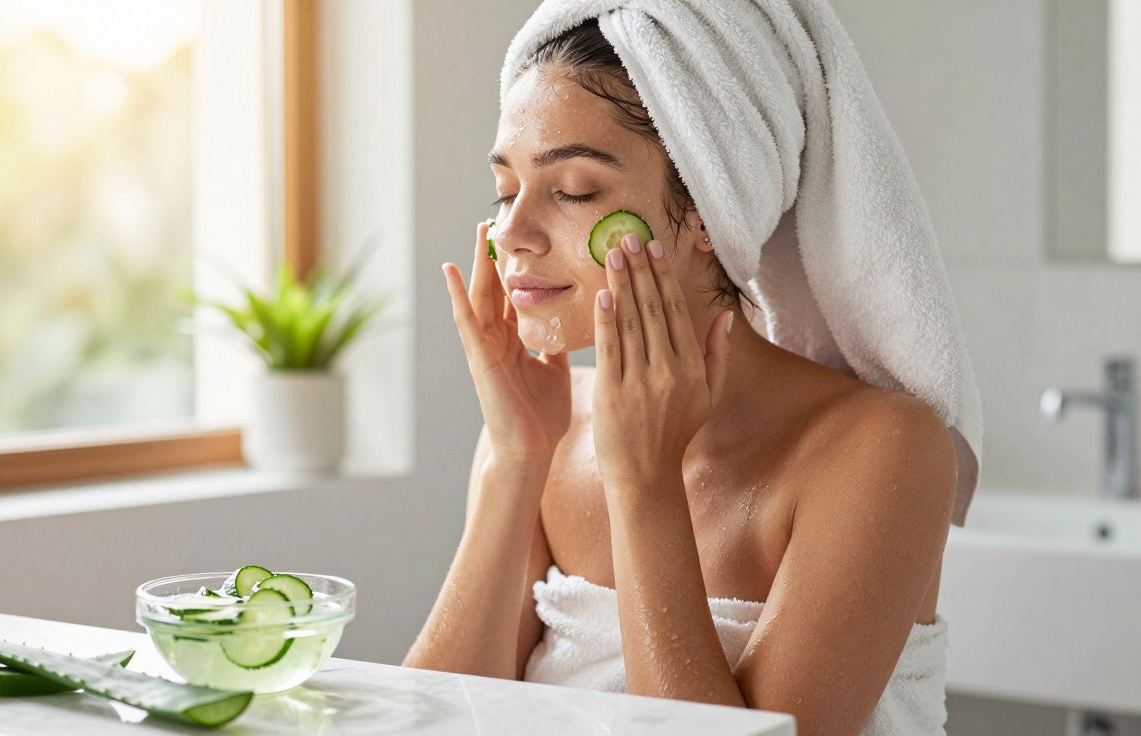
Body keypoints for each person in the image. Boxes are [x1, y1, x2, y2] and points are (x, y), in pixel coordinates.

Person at [403, 15, 955, 736]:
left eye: (572, 190)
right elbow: (427, 722)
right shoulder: (547, 433)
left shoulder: (881, 449)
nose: (512, 233)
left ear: (703, 211)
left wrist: (643, 483)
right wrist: (517, 456)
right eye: (507, 191)